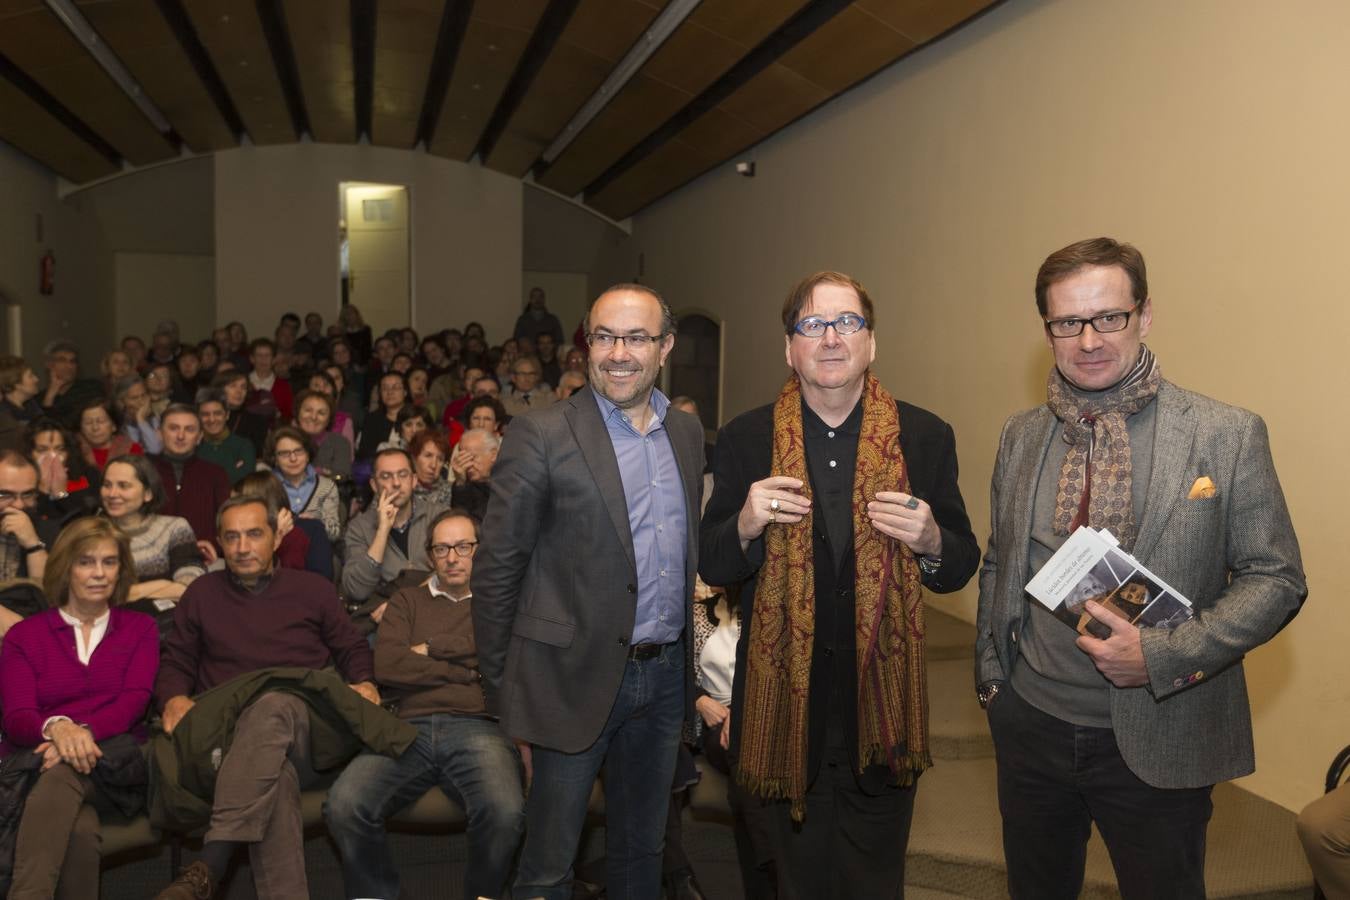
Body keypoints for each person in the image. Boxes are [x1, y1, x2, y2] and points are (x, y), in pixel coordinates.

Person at [976, 237, 1307, 900]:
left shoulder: (1224, 434)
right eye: (1068, 322)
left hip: (1162, 730)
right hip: (1032, 726)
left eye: (1110, 317)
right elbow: (1001, 560)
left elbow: (1276, 578)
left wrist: (1159, 656)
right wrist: (993, 680)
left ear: (1145, 315)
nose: (1089, 339)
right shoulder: (1023, 434)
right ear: (1048, 329)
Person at [699, 271, 979, 898]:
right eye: (813, 324)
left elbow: (959, 564)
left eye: (847, 322)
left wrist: (932, 538)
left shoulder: (924, 436)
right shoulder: (747, 437)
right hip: (778, 711)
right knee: (783, 882)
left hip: (880, 710)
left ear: (871, 343)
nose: (831, 337)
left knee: (872, 883)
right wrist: (743, 523)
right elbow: (714, 565)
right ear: (789, 348)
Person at [473, 283, 705, 899]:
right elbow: (498, 569)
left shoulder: (685, 434)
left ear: (666, 347)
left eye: (636, 337)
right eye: (604, 336)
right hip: (566, 680)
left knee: (641, 851)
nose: (618, 353)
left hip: (662, 682)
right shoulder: (540, 432)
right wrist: (504, 691)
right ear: (586, 346)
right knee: (549, 865)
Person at [151, 495, 384, 900]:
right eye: (232, 537)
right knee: (274, 778)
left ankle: (211, 863)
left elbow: (351, 646)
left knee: (274, 703)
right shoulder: (202, 593)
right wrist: (173, 697)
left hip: (308, 728)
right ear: (220, 544)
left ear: (276, 538)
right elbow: (177, 660)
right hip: (228, 735)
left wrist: (363, 681)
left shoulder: (312, 588)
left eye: (254, 534)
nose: (243, 547)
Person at [325, 508, 525, 900]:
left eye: (463, 547)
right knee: (344, 805)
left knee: (505, 812)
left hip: (478, 726)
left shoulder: (498, 602)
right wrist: (466, 674)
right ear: (430, 556)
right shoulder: (406, 601)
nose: (452, 557)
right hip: (406, 727)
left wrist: (432, 648)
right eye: (442, 548)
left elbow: (496, 655)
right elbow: (389, 665)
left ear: (479, 551)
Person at [0, 517, 159, 899]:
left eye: (109, 562)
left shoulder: (141, 629)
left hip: (116, 766)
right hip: (38, 764)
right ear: (65, 567)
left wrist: (76, 736)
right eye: (86, 562)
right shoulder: (25, 635)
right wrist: (57, 728)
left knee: (63, 772)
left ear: (121, 570)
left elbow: (133, 702)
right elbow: (17, 716)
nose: (99, 573)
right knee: (81, 834)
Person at [342, 448, 448, 622]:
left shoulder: (438, 516)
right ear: (374, 485)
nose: (396, 483)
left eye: (403, 474)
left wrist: (404, 604)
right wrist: (382, 531)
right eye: (386, 476)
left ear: (414, 480)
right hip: (384, 620)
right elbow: (357, 590)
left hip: (436, 608)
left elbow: (459, 570)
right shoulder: (359, 528)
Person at [101, 455, 204, 605]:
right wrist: (162, 585)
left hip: (164, 623)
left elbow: (190, 587)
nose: (112, 494)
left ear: (148, 493)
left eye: (123, 486)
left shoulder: (174, 528)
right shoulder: (92, 533)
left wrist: (129, 592)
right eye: (107, 485)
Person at [150, 404, 231, 549]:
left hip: (203, 558)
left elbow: (227, 522)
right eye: (174, 428)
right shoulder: (143, 470)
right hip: (150, 556)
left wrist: (212, 545)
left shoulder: (216, 474)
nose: (181, 436)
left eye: (189, 429)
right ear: (159, 433)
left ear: (199, 437)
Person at [267, 426, 341, 542]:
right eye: (285, 453)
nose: (293, 458)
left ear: (308, 455)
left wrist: (317, 521)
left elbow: (335, 533)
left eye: (299, 451)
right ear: (275, 459)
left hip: (315, 551)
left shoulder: (326, 486)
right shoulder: (265, 486)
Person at [195, 391, 257, 485]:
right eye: (205, 414)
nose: (212, 419)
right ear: (198, 417)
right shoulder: (192, 447)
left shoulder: (243, 445)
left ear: (227, 415)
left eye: (217, 413)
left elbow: (245, 483)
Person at [40, 341, 104, 428]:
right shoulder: (40, 398)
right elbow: (43, 426)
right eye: (62, 360)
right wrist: (51, 393)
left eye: (72, 361)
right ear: (49, 365)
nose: (69, 366)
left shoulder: (91, 387)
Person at [76, 397, 142, 471]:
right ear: (81, 427)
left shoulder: (131, 449)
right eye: (88, 422)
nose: (95, 428)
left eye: (101, 421)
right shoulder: (75, 450)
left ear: (114, 426)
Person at [447, 427, 498, 522]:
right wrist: (460, 483)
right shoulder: (464, 487)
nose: (467, 465)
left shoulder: (510, 482)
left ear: (493, 454)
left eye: (472, 457)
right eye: (463, 458)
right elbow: (461, 521)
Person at [356, 372, 408, 462]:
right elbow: (364, 454)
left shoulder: (416, 417)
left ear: (405, 392)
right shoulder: (372, 420)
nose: (390, 392)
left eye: (395, 387)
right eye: (385, 388)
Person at [0, 356, 42, 451]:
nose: (36, 379)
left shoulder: (33, 406)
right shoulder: (3, 415)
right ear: (16, 383)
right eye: (31, 376)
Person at [410, 430, 454, 508]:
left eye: (440, 459)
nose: (433, 465)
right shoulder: (403, 489)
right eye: (428, 456)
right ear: (414, 458)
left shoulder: (449, 491)